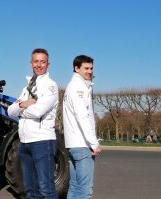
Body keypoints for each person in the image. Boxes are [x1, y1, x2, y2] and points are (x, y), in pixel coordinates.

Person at [8, 48, 59, 198]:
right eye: (36, 61)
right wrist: (23, 104)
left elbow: (38, 112)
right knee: (30, 189)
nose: (39, 65)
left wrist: (20, 107)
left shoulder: (50, 86)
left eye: (42, 62)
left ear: (48, 65)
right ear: (31, 64)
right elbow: (10, 111)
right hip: (25, 142)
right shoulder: (27, 87)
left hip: (42, 141)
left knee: (46, 188)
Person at [63, 55, 101, 199]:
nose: (90, 71)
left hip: (72, 144)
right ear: (76, 68)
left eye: (91, 68)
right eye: (86, 68)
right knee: (85, 190)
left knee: (74, 186)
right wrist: (94, 142)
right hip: (82, 144)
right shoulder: (79, 87)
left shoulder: (71, 86)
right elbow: (82, 117)